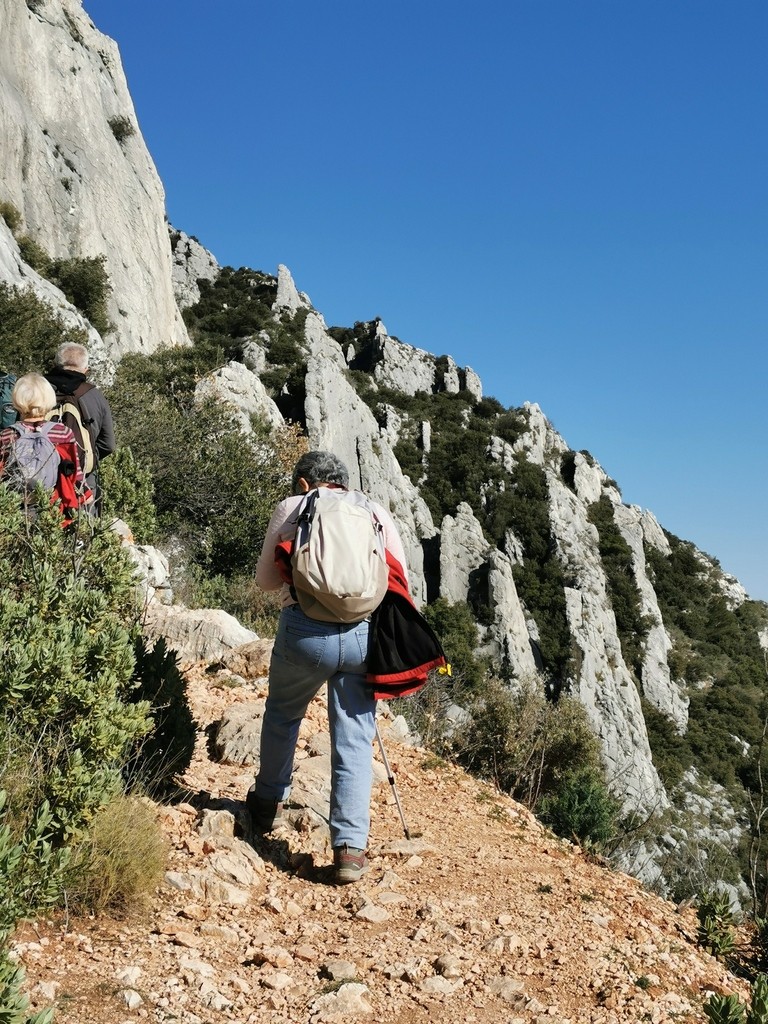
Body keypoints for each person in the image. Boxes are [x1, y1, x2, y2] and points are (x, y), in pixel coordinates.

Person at [249, 450, 409, 884]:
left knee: (283, 714)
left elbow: (265, 581)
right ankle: (350, 850)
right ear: (343, 482)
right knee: (354, 737)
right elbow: (401, 580)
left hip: (303, 633)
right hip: (363, 637)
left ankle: (267, 806)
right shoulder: (374, 510)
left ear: (305, 484)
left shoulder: (293, 507)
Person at [0, 372, 91, 521]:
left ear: (17, 400)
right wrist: (85, 495)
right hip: (52, 508)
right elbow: (75, 474)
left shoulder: (7, 434)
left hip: (15, 509)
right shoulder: (62, 433)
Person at [45, 342, 115, 511]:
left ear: (55, 365)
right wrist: (85, 457)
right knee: (82, 532)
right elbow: (108, 445)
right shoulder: (95, 396)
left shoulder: (38, 389)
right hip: (82, 482)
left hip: (41, 478)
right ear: (86, 370)